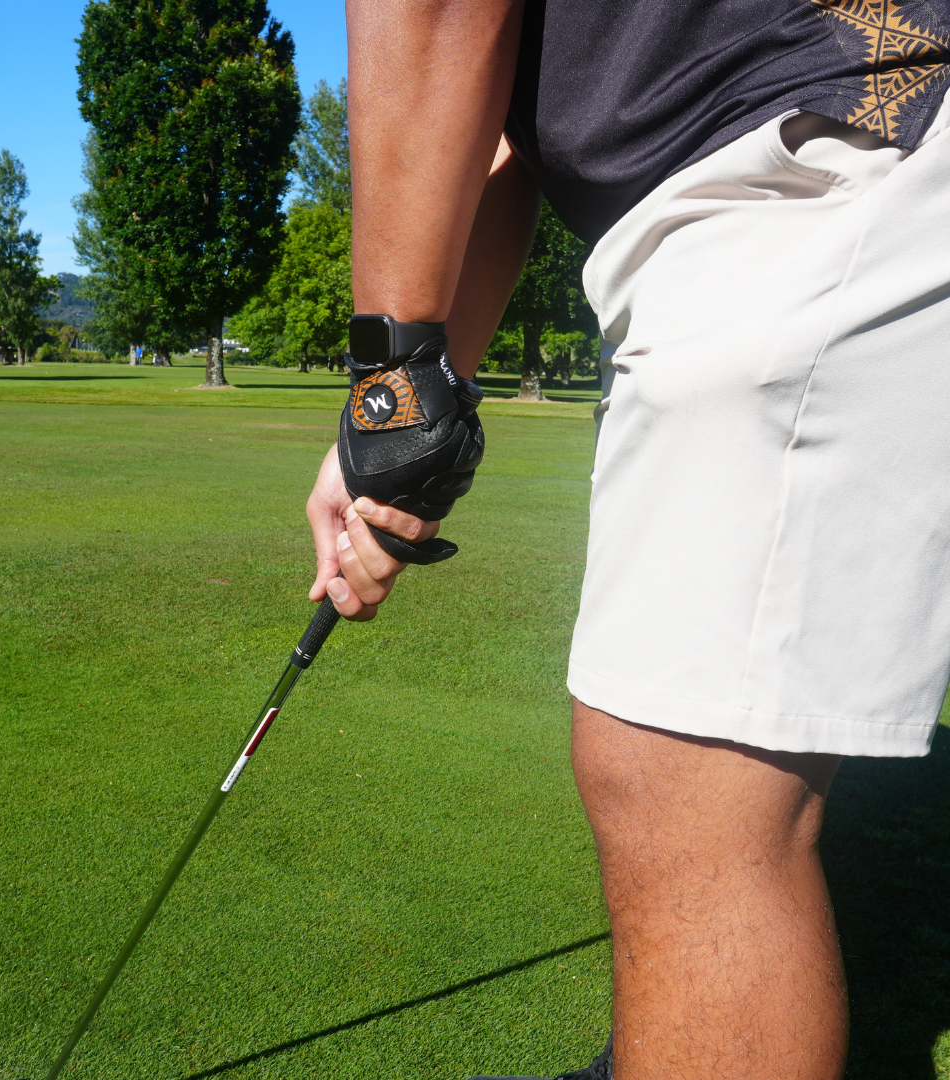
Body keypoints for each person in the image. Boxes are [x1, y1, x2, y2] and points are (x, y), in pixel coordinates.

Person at [305, 2, 950, 1077]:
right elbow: (496, 152)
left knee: (683, 789)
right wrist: (412, 417)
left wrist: (392, 388)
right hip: (798, 171)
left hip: (824, 147)